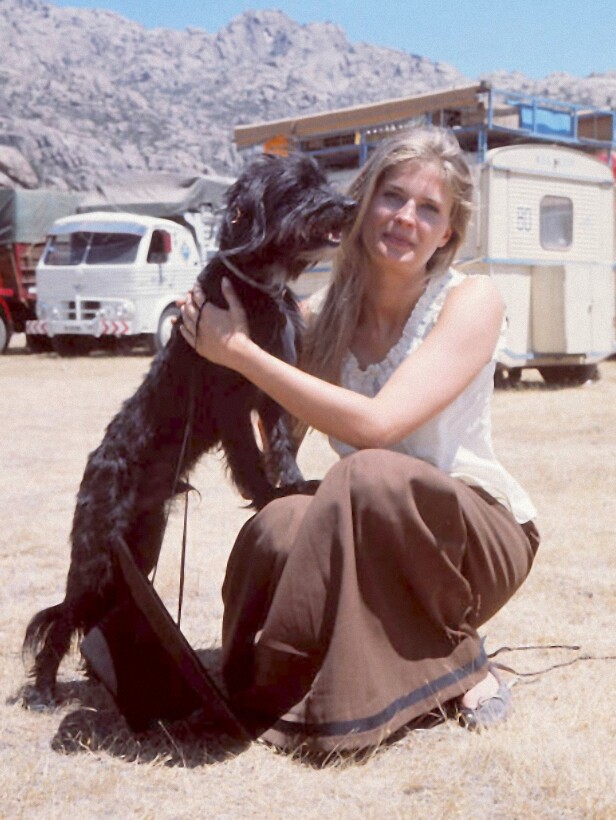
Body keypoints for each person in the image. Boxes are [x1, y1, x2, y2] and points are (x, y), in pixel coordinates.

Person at [179, 127, 540, 753]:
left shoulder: (472, 300)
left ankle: (459, 657)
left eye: (429, 209)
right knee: (282, 520)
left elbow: (377, 427)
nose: (405, 218)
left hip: (469, 536)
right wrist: (209, 341)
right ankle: (263, 680)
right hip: (366, 525)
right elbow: (280, 430)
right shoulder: (322, 314)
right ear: (364, 202)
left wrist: (239, 353)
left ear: (448, 233)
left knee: (365, 471)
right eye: (392, 197)